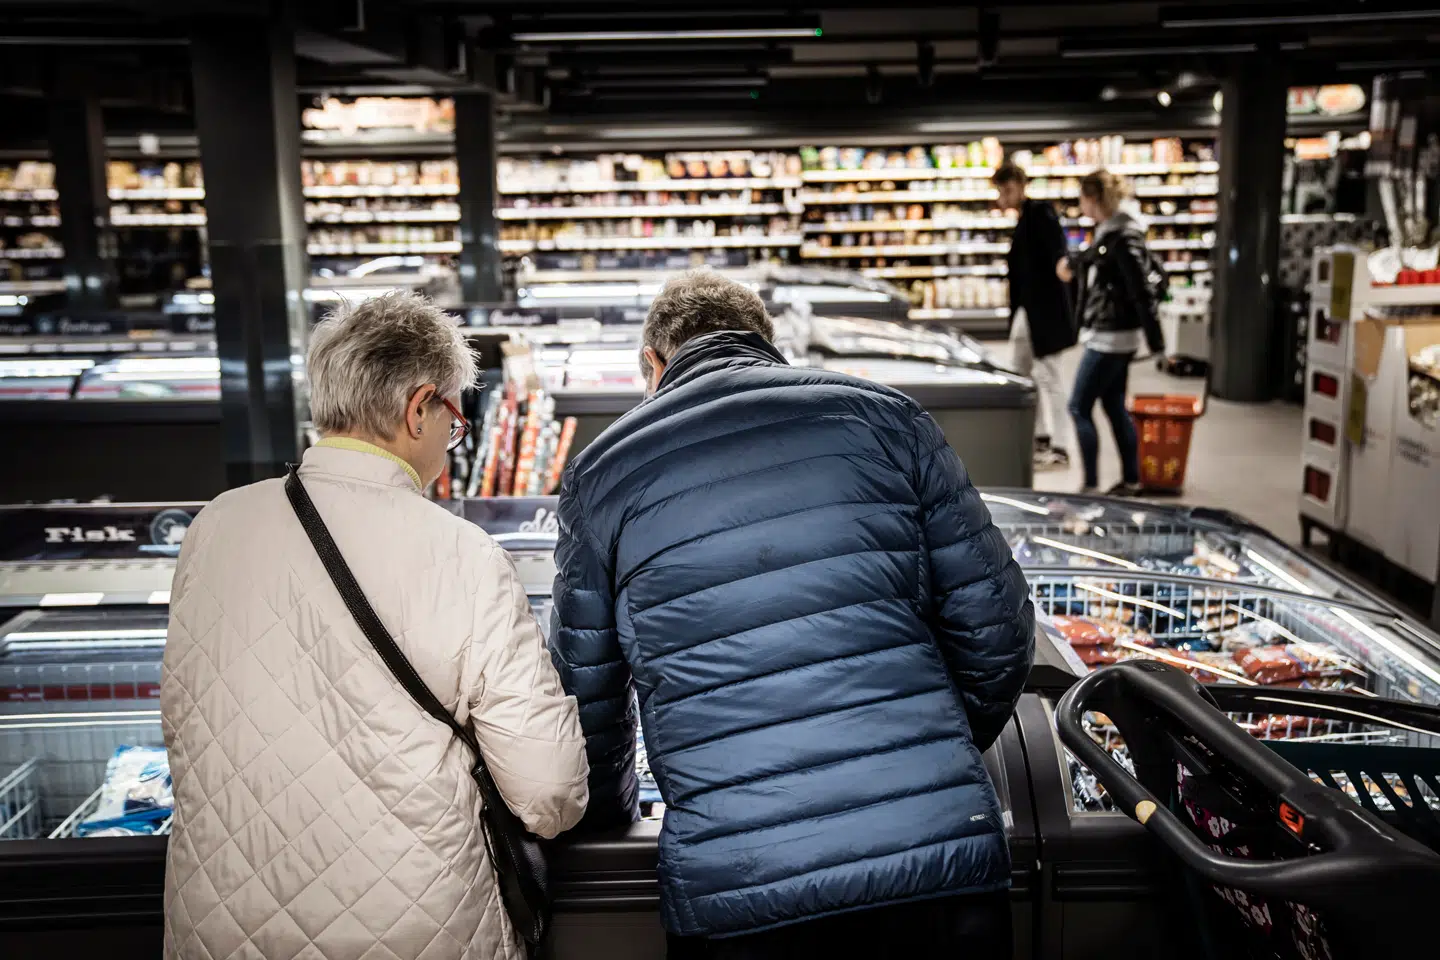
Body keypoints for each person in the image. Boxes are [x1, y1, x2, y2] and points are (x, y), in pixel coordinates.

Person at [548, 270, 1035, 958]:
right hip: (931, 864)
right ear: (765, 345)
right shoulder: (890, 417)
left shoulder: (602, 474)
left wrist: (613, 821)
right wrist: (926, 755)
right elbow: (999, 634)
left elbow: (587, 699)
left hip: (738, 883)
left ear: (652, 365)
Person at [161, 292, 589, 960]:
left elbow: (184, 727)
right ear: (420, 407)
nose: (453, 440)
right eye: (454, 419)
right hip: (416, 929)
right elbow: (548, 791)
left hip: (221, 924)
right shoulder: (462, 553)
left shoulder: (215, 526)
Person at [1060, 170, 1165, 497]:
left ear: (1093, 199)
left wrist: (1159, 344)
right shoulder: (1112, 232)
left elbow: (1140, 292)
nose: (1079, 204)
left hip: (1112, 337)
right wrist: (1075, 263)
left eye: (1082, 197)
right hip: (1114, 334)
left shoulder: (1123, 235)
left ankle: (1090, 485)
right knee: (1114, 406)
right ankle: (1131, 480)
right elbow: (1099, 262)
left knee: (1078, 406)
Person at [994, 161, 1077, 468]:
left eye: (1008, 189)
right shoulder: (1023, 219)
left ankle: (1061, 446)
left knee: (1050, 375)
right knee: (1021, 371)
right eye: (1002, 190)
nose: (1004, 196)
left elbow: (1058, 248)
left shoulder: (1040, 211)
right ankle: (1040, 435)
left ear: (1020, 185)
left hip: (1045, 313)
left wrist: (1061, 263)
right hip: (1028, 312)